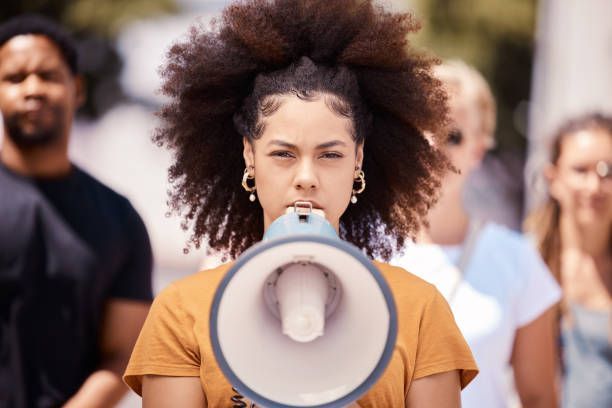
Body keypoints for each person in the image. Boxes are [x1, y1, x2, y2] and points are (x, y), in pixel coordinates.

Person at [123, 1, 479, 406]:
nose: (307, 177)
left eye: (330, 155)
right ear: (249, 157)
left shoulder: (420, 311)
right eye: (283, 154)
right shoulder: (182, 311)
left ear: (358, 160)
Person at [0, 15, 153, 407]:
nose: (32, 89)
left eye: (48, 75)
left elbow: (124, 353)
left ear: (77, 88)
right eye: (15, 78)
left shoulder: (120, 219)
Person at [391, 60, 561, 408]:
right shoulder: (360, 249)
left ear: (478, 151)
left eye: (452, 135)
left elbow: (540, 397)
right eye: (421, 127)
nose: (433, 145)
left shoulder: (517, 260)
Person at [525, 113, 612, 408]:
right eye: (580, 170)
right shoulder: (525, 263)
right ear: (553, 179)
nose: (594, 185)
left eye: (607, 171)